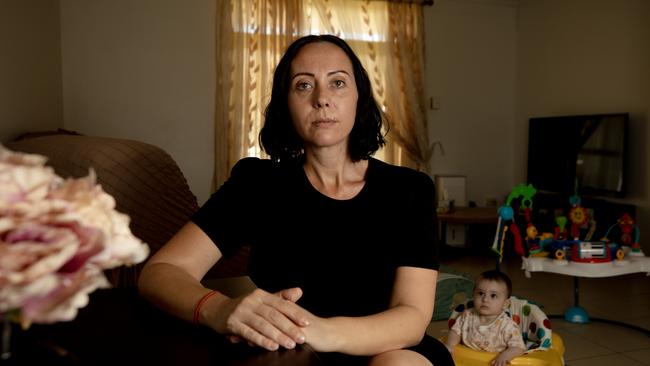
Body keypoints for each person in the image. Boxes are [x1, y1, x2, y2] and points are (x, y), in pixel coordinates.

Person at [138, 34, 453, 366]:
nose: (321, 99)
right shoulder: (257, 184)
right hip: (287, 354)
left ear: (359, 97)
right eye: (303, 85)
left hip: (388, 350)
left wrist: (321, 332)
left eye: (338, 83)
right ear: (285, 103)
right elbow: (160, 271)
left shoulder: (409, 189)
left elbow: (413, 317)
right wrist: (218, 309)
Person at [444, 270, 526, 366]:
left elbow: (519, 347)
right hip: (467, 360)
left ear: (505, 304)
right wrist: (449, 345)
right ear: (473, 295)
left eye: (493, 295)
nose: (485, 299)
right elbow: (455, 332)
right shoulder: (467, 315)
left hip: (493, 362)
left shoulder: (508, 326)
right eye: (480, 293)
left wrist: (505, 356)